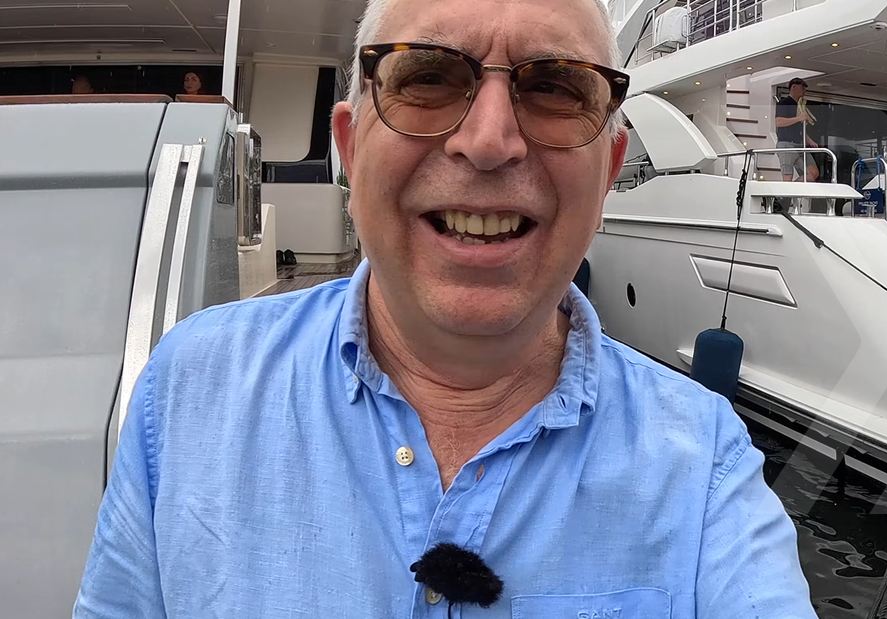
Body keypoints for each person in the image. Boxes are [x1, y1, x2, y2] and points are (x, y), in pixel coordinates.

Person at [73, 0, 816, 617]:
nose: (488, 142)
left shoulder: (703, 462)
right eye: (427, 77)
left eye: (556, 89)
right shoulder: (191, 387)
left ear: (608, 174)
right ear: (350, 149)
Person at [774, 77, 820, 182]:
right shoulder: (784, 103)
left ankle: (795, 187)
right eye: (802, 87)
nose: (804, 90)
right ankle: (789, 190)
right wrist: (798, 118)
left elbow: (799, 127)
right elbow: (778, 122)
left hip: (799, 144)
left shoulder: (800, 105)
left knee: (813, 173)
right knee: (787, 176)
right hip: (787, 144)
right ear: (794, 87)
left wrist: (809, 140)